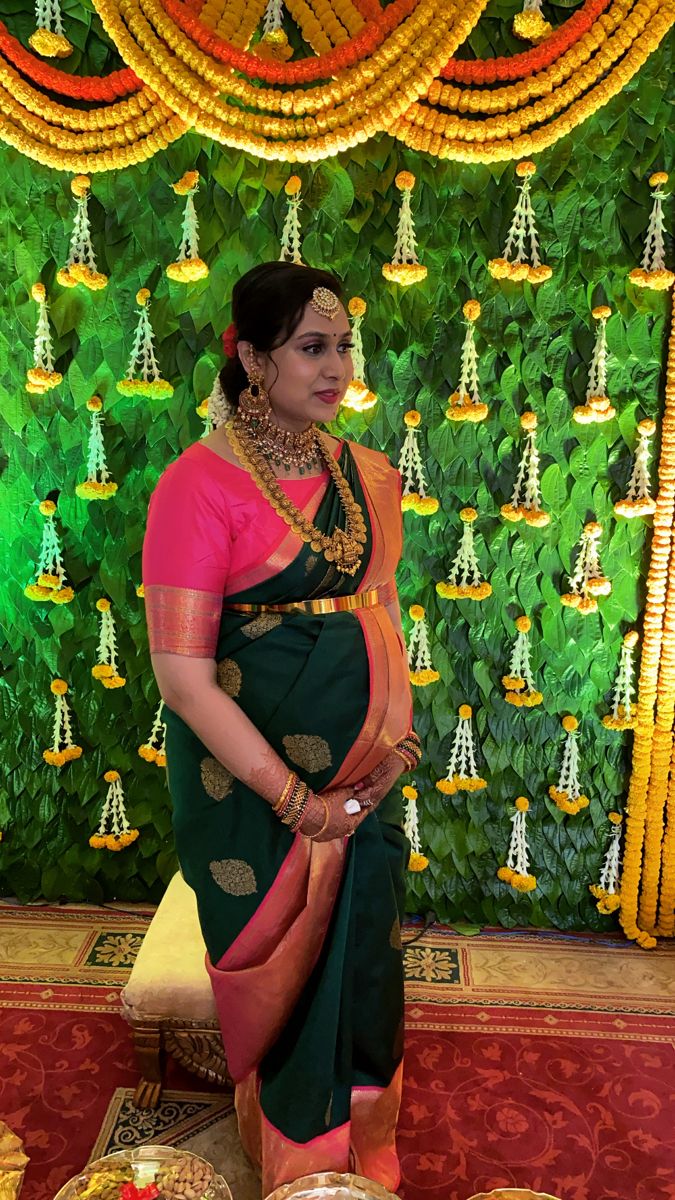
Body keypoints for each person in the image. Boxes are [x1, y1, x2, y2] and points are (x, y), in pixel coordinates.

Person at [141, 261, 421, 1195]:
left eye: (342, 345)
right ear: (253, 360)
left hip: (363, 780)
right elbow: (182, 678)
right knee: (296, 985)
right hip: (254, 797)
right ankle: (303, 1166)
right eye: (311, 347)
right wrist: (296, 800)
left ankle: (362, 1154)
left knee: (367, 964)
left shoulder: (367, 476)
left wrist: (397, 749)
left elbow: (382, 612)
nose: (335, 366)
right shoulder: (197, 488)